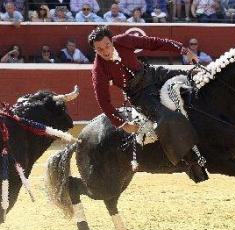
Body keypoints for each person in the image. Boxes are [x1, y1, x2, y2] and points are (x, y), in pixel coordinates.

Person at [88, 25, 208, 183]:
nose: (105, 51)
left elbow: (153, 42)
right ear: (95, 50)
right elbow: (103, 101)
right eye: (99, 49)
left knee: (197, 77)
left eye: (107, 45)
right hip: (140, 95)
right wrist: (123, 124)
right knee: (166, 118)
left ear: (112, 41)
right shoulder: (98, 69)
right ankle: (191, 162)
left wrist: (184, 50)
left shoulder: (123, 41)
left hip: (153, 74)